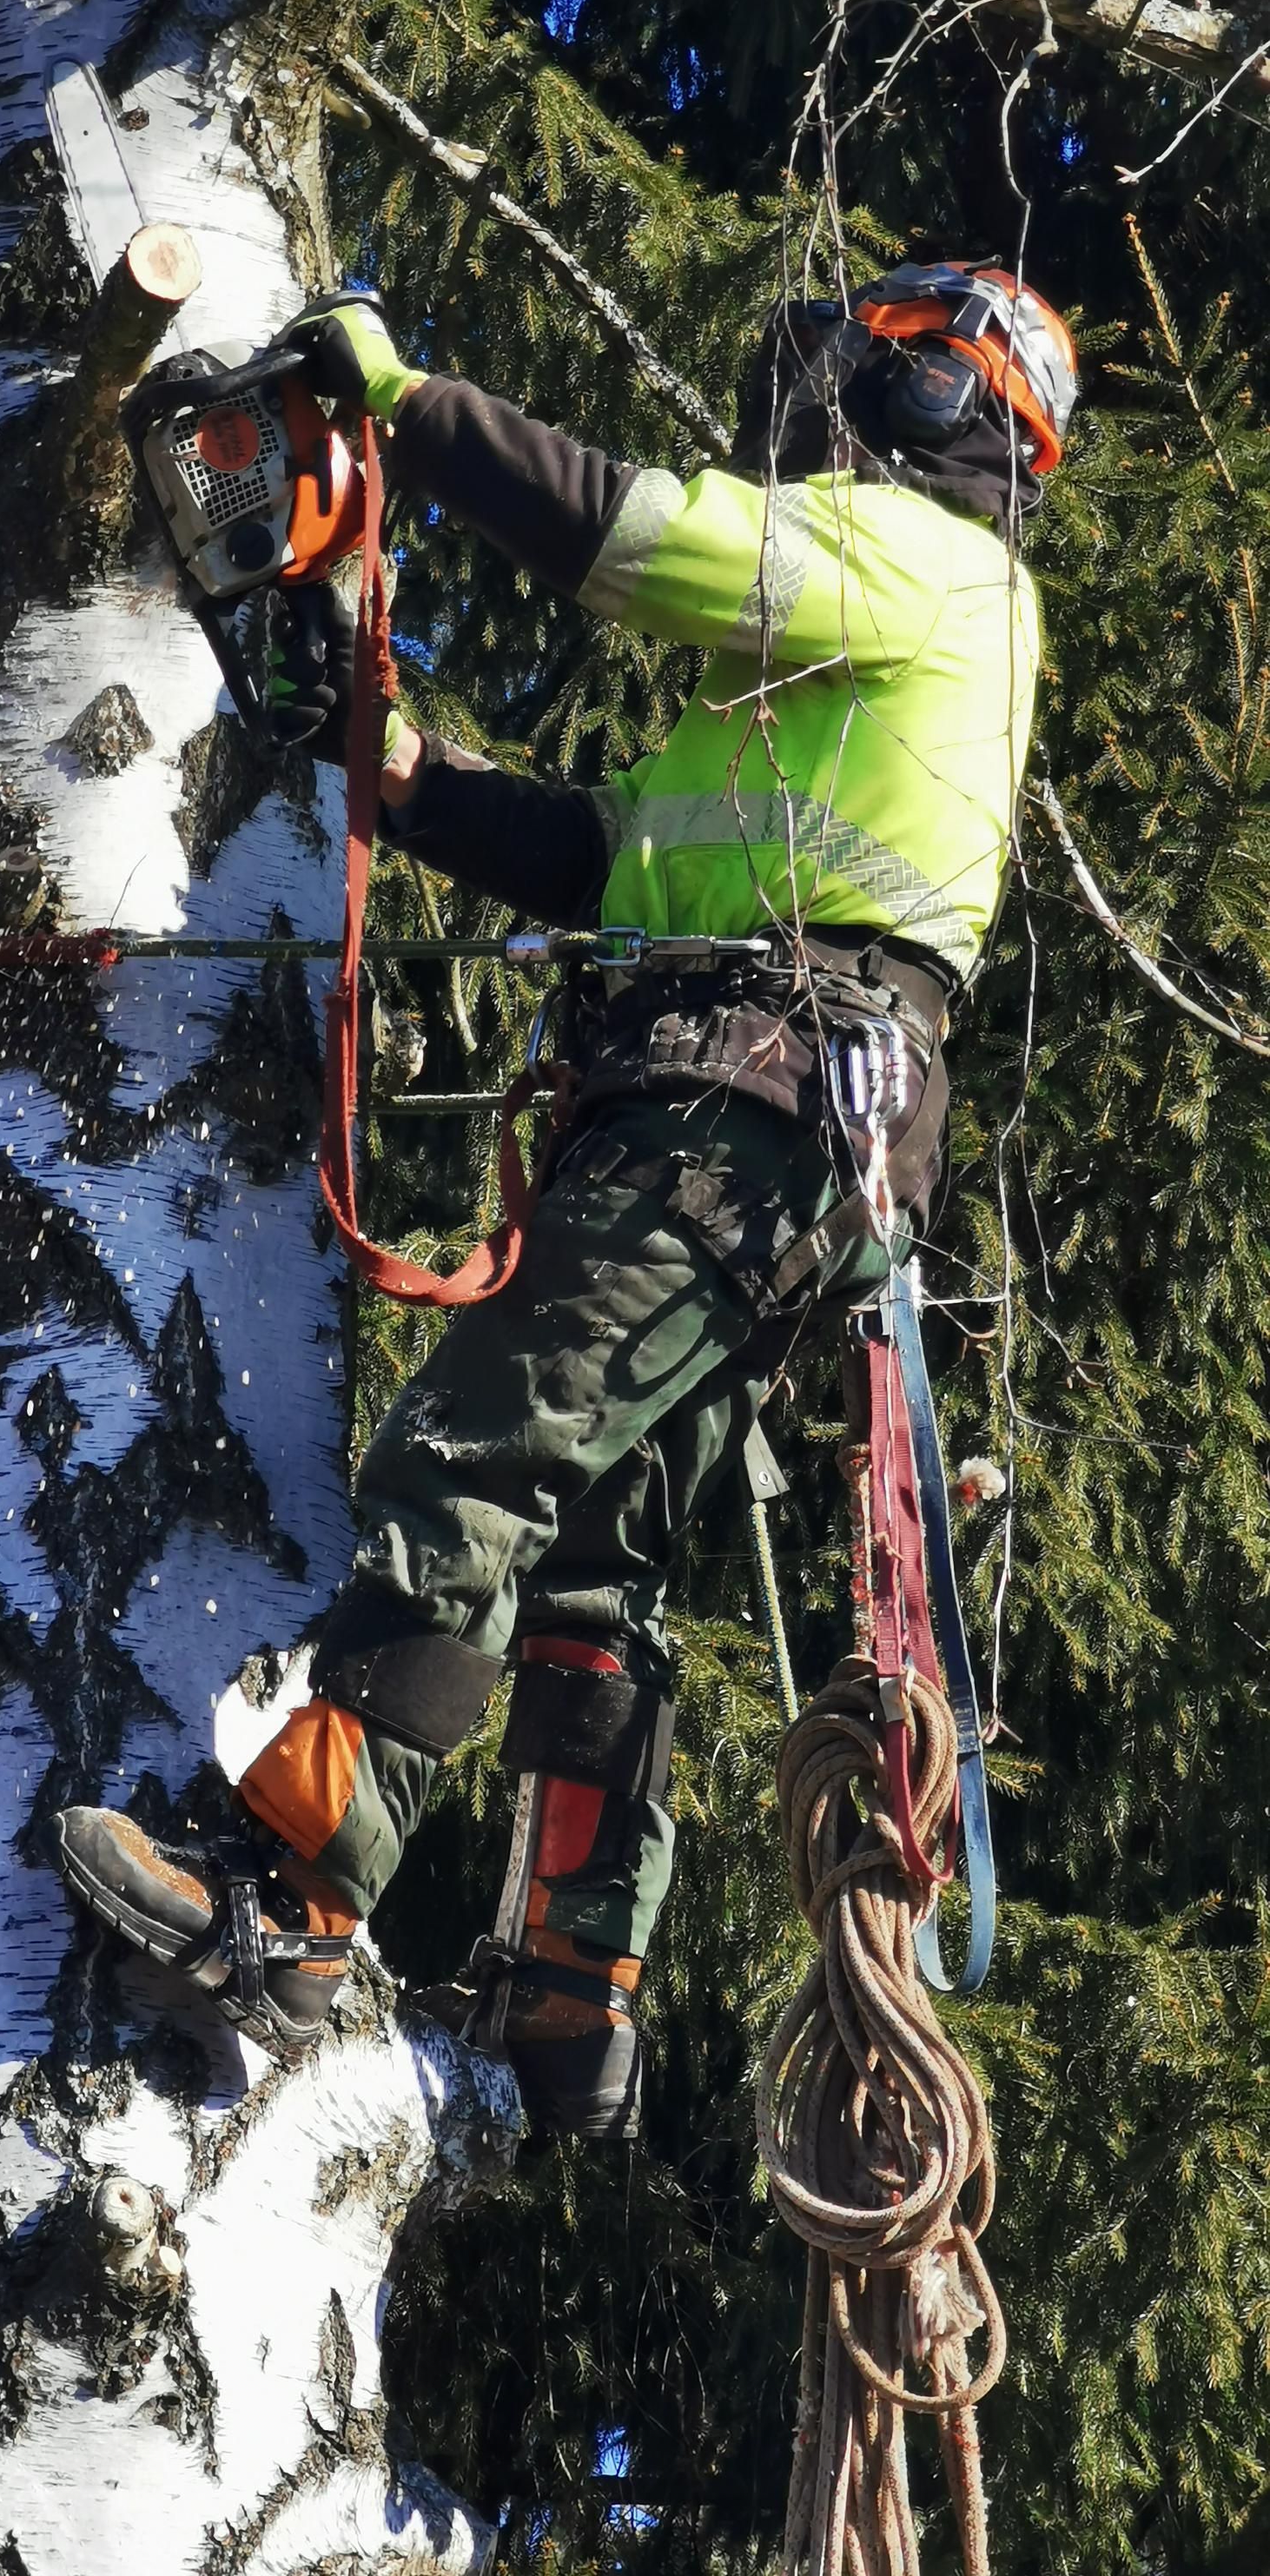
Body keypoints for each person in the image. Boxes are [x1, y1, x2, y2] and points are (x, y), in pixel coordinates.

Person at [55, 264, 1076, 2140]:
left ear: (939, 405)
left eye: (856, 384)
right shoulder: (832, 690)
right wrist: (408, 776)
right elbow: (615, 855)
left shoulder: (922, 561)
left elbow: (641, 536)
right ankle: (565, 1997)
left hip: (751, 1104)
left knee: (489, 1440)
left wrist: (413, 404)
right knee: (595, 1552)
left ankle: (292, 1892)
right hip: (771, 1123)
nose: (819, 415)